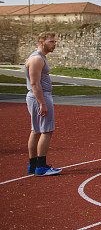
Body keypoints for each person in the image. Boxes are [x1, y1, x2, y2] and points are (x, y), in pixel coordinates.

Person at [25, 32, 62, 176]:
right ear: (42, 42)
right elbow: (34, 83)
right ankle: (41, 167)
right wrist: (42, 103)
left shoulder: (40, 58)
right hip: (39, 97)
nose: (54, 44)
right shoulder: (36, 59)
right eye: (51, 41)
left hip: (38, 97)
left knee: (36, 130)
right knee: (46, 130)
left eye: (54, 41)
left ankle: (33, 165)